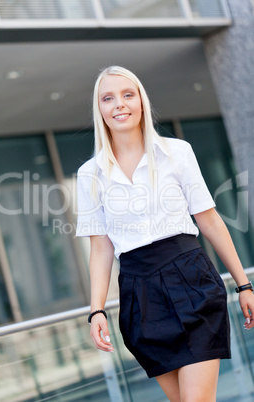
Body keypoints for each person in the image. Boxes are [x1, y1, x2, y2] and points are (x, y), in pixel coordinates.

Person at [76, 65, 254, 401]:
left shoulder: (177, 152)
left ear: (141, 101)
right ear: (99, 109)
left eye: (128, 95)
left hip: (191, 279)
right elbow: (100, 248)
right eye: (108, 98)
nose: (119, 104)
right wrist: (96, 309)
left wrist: (243, 284)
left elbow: (210, 220)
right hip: (139, 295)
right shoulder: (90, 175)